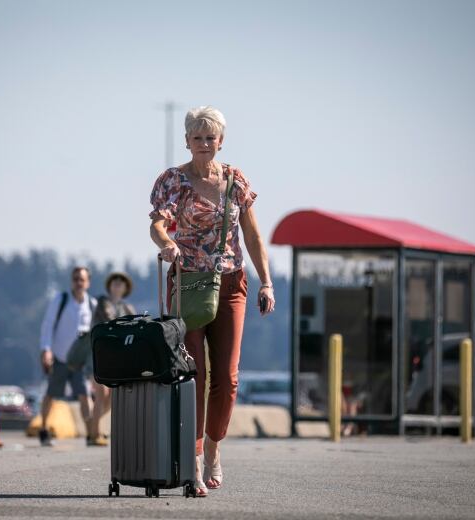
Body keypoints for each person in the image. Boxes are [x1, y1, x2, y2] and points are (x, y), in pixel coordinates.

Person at [148, 106, 275, 496]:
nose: (204, 144)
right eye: (197, 137)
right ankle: (195, 459)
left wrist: (266, 282)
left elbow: (252, 236)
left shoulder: (236, 181)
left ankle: (215, 447)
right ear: (187, 141)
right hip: (188, 281)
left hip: (232, 281)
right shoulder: (173, 180)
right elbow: (156, 223)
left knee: (228, 377)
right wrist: (167, 242)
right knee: (194, 375)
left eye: (210, 138)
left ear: (221, 142)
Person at [38, 266, 97, 446]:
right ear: (71, 281)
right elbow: (47, 325)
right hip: (60, 357)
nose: (79, 283)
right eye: (75, 279)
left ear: (88, 283)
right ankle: (44, 428)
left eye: (82, 279)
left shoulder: (92, 305)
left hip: (79, 362)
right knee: (51, 394)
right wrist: (46, 350)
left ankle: (91, 433)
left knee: (84, 395)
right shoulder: (61, 300)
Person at [86, 272, 136, 446]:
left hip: (116, 358)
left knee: (113, 396)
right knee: (101, 393)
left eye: (121, 283)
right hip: (99, 355)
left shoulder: (127, 307)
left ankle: (92, 425)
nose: (117, 285)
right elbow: (110, 320)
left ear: (125, 288)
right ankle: (94, 435)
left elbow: (137, 324)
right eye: (115, 282)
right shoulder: (103, 302)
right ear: (109, 286)